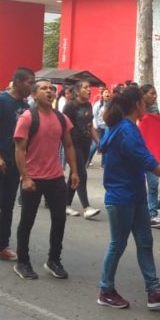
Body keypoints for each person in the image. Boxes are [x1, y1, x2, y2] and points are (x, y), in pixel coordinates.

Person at [97, 84, 160, 310]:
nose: (147, 105)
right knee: (118, 244)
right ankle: (105, 290)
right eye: (144, 102)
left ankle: (154, 291)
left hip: (135, 196)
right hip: (121, 197)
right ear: (136, 104)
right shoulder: (126, 131)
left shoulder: (122, 126)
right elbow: (146, 161)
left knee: (145, 242)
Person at [11, 79, 80, 280]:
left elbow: (68, 145)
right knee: (27, 220)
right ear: (34, 95)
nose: (49, 91)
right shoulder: (27, 118)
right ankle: (22, 262)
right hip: (33, 178)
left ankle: (54, 260)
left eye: (51, 89)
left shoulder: (61, 118)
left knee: (59, 219)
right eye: (44, 89)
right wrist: (25, 177)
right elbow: (19, 150)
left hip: (55, 177)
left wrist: (74, 172)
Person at [0, 67, 35, 263]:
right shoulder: (0, 100)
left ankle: (3, 246)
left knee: (8, 205)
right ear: (18, 82)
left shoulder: (26, 106)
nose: (32, 86)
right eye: (29, 82)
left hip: (14, 160)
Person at [63, 80, 101, 220]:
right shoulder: (70, 106)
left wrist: (98, 142)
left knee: (74, 174)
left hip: (85, 144)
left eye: (89, 87)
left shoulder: (88, 105)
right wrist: (66, 145)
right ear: (77, 91)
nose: (89, 90)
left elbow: (90, 126)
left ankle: (65, 205)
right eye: (85, 87)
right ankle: (86, 207)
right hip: (73, 144)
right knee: (81, 173)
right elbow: (64, 128)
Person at [139, 84, 160, 228]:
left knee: (154, 184)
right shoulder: (135, 109)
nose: (155, 96)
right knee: (136, 183)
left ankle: (152, 214)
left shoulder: (155, 109)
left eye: (155, 93)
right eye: (151, 93)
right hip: (136, 151)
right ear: (143, 95)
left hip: (152, 152)